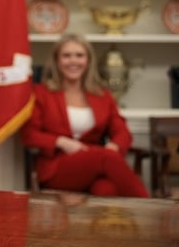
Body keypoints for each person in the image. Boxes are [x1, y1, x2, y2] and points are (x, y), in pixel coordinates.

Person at [20, 33, 148, 197]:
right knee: (106, 158)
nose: (73, 61)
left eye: (79, 55)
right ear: (57, 61)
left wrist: (114, 146)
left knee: (105, 189)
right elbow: (29, 135)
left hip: (95, 163)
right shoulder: (40, 93)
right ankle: (155, 212)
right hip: (57, 166)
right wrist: (61, 142)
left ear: (88, 61)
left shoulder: (103, 95)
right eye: (67, 56)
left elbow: (122, 131)